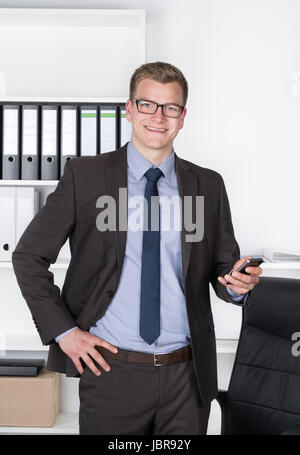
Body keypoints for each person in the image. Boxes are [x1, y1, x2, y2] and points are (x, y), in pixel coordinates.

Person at [12, 61, 262, 435]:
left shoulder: (208, 185)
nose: (158, 117)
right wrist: (65, 332)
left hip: (187, 377)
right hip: (112, 372)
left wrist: (235, 285)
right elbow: (28, 256)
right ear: (129, 109)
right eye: (147, 104)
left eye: (170, 107)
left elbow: (221, 267)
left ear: (183, 116)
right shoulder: (86, 176)